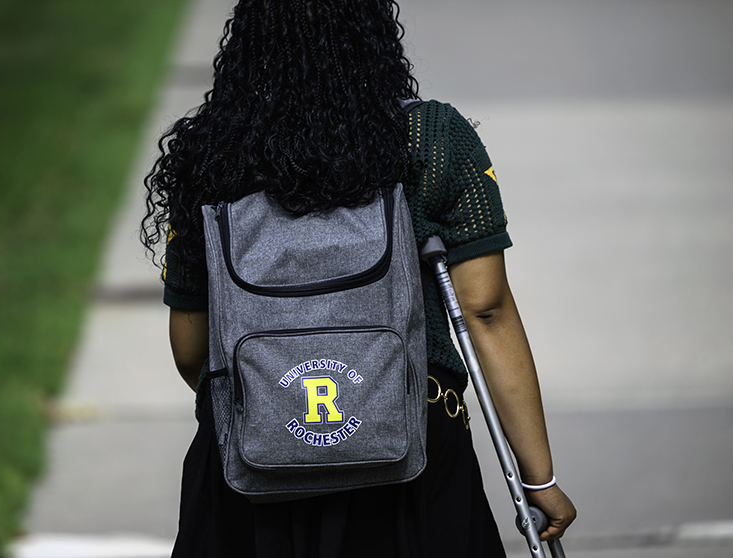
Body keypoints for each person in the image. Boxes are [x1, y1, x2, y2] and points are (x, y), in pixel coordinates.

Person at [141, 1, 576, 556]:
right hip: (410, 455)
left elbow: (190, 348)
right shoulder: (431, 139)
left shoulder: (209, 154)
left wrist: (279, 403)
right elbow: (483, 311)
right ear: (371, 28)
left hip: (251, 463)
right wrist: (537, 480)